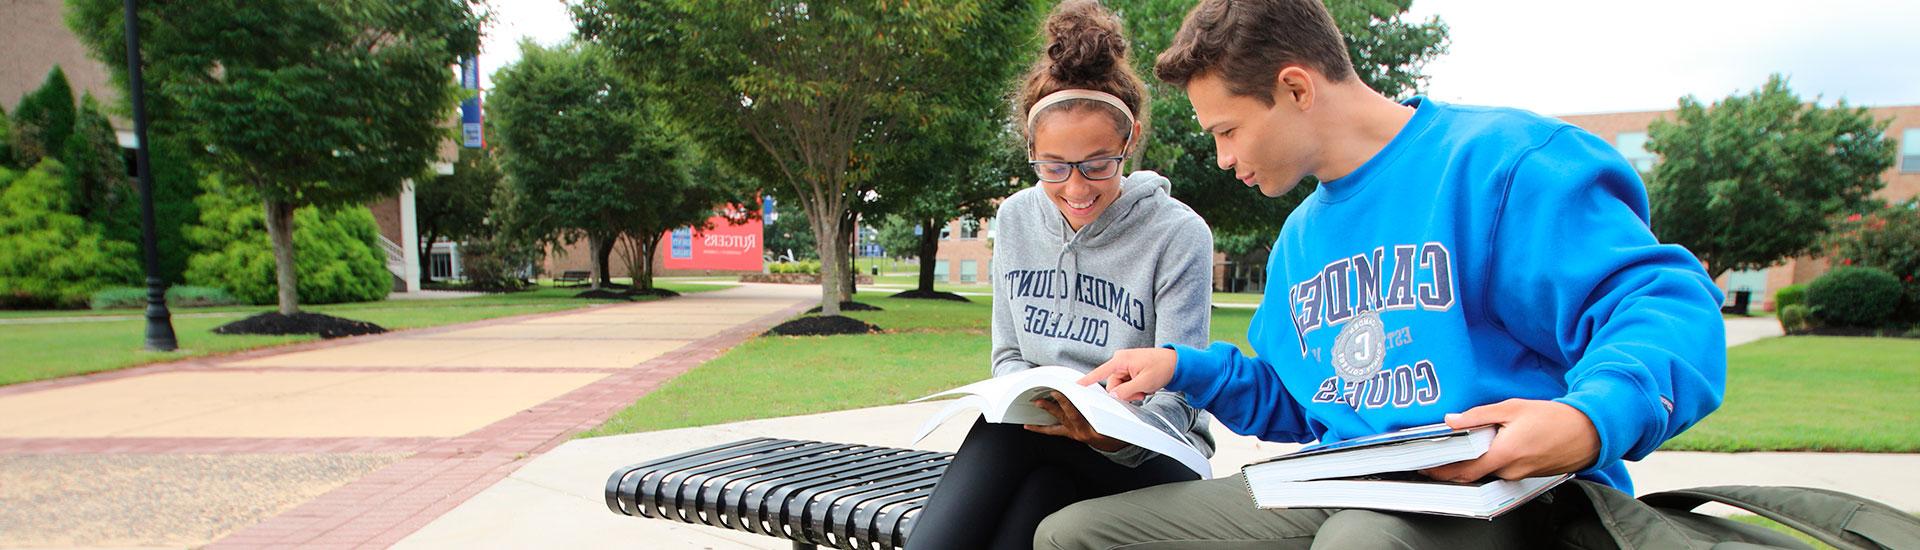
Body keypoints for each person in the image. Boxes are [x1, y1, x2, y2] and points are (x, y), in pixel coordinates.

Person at [1036, 0, 1728, 548]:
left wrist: (1587, 418)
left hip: (1515, 490)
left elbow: (1663, 304)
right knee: (1076, 533)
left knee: (1360, 541)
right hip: (1354, 483)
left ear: (1296, 89)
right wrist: (1181, 367)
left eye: (1227, 130)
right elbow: (1301, 400)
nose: (1221, 158)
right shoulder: (1302, 237)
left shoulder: (1502, 162)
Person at [902, 2, 1219, 549]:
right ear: (1032, 152)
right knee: (1029, 505)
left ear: (1130, 140)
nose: (1076, 189)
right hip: (1043, 441)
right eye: (1054, 167)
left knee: (1010, 455)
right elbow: (1008, 356)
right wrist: (1041, 402)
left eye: (1098, 164)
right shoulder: (1016, 218)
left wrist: (1108, 435)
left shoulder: (1178, 234)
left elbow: (1183, 390)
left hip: (1152, 457)